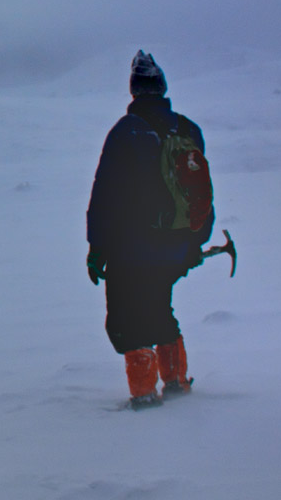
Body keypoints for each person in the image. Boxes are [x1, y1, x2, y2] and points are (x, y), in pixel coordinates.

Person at [85, 51, 214, 409]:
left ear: (134, 92)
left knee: (127, 320)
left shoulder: (126, 132)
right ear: (163, 88)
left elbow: (105, 194)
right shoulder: (189, 129)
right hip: (178, 245)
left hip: (132, 249)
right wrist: (195, 242)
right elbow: (201, 189)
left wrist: (97, 249)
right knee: (160, 308)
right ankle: (176, 384)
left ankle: (144, 397)